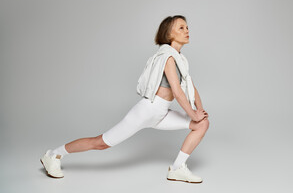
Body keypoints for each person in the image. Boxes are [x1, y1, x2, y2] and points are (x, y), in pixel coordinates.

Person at [40, 15, 209, 184]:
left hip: (161, 114)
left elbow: (191, 89)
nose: (187, 31)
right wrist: (193, 115)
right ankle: (53, 154)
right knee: (100, 143)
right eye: (181, 28)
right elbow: (178, 93)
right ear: (168, 33)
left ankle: (177, 168)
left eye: (187, 27)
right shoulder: (168, 57)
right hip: (146, 111)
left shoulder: (181, 60)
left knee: (202, 124)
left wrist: (199, 111)